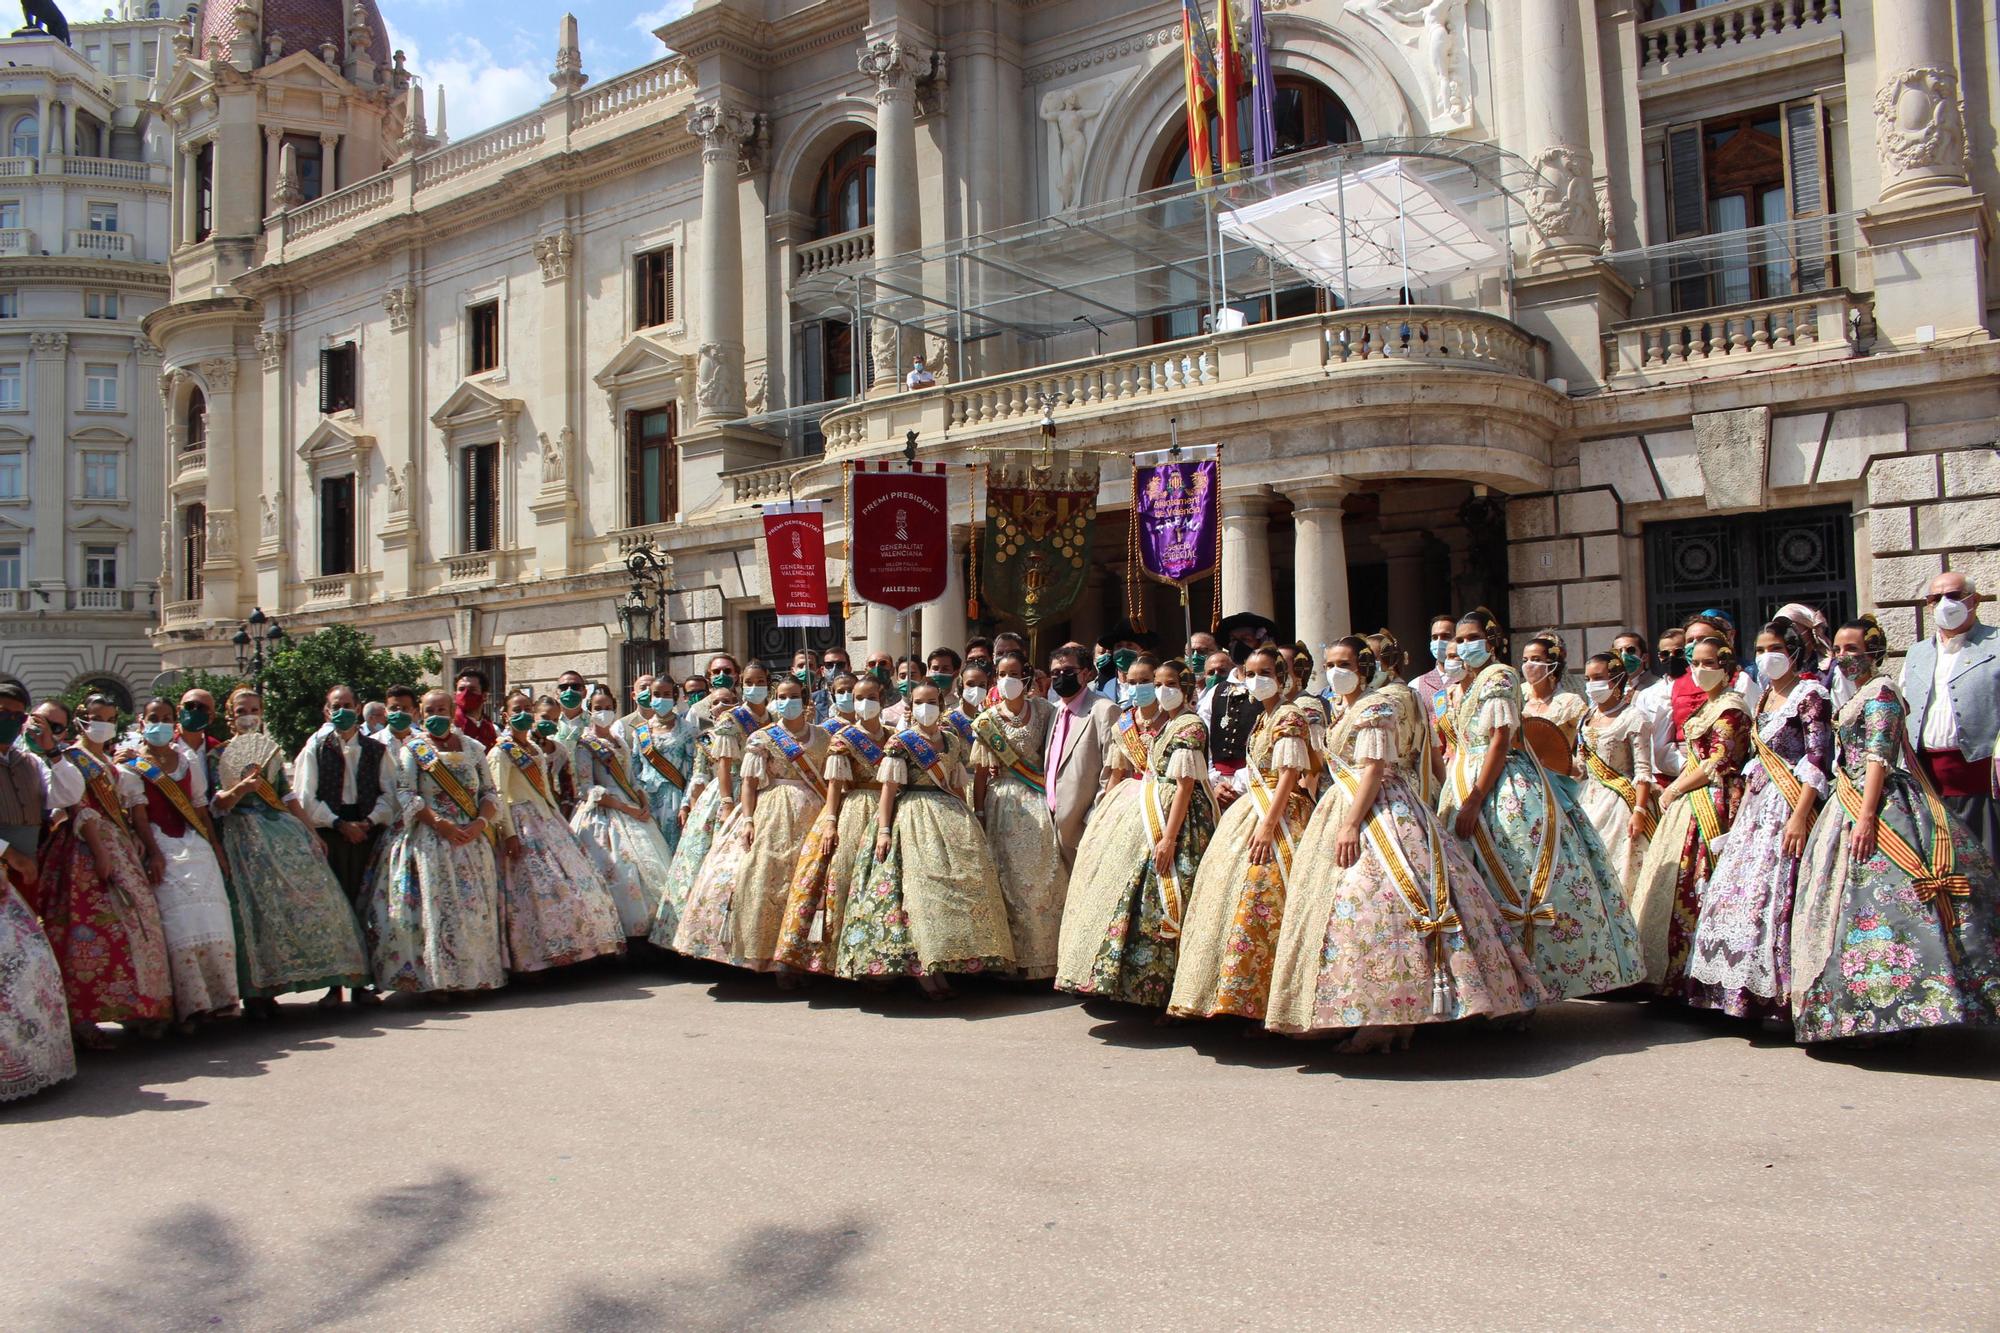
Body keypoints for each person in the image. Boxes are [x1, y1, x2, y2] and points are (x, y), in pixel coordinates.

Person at [1270, 638, 1546, 1048]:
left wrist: (1351, 824)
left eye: (1344, 664)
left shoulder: (1376, 707)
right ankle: (1355, 1008)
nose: (1335, 671)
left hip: (1380, 810)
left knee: (1378, 902)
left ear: (1364, 669)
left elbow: (1373, 769)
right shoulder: (1339, 710)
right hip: (1340, 804)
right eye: (1330, 664)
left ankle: (1392, 1016)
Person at [1792, 616, 2000, 1043]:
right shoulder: (1855, 693)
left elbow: (1878, 758)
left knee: (1885, 902)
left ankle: (1902, 1010)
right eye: (1838, 650)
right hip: (1846, 799)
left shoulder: (1882, 692)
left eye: (1853, 649)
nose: (1843, 657)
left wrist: (1868, 816)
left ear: (1875, 652)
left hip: (1880, 803)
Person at [1434, 610, 1643, 1001]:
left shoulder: (1499, 676)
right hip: (1462, 779)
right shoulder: (1467, 683)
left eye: (1472, 638)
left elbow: (1500, 740)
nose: (1463, 646)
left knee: (1515, 880)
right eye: (1458, 640)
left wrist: (1475, 798)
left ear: (1491, 640)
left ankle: (1527, 987)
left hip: (1499, 788)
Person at [1685, 620, 1833, 1020]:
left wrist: (1799, 816)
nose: (1768, 656)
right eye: (1761, 649)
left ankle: (1779, 1000)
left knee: (1778, 896)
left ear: (1795, 651)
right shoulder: (1765, 696)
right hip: (1757, 804)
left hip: (1790, 803)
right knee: (1739, 896)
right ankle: (1735, 994)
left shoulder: (1811, 695)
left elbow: (1817, 759)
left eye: (1776, 648)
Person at [1167, 646, 1320, 1022]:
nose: (1256, 680)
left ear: (1281, 677)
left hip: (1280, 814)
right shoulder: (1263, 717)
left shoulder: (1288, 715)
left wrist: (1268, 825)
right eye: (1250, 674)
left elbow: (1290, 775)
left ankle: (1266, 1001)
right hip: (1251, 807)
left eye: (1265, 673)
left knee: (1262, 895)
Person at [1056, 658, 1214, 1007]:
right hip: (1135, 808)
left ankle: (1168, 989)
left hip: (1174, 817)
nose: (1154, 690)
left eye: (1164, 683)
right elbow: (1117, 774)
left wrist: (1169, 837)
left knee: (1165, 895)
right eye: (1151, 683)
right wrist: (1104, 818)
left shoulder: (1186, 725)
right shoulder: (1130, 722)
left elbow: (1185, 785)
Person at [840, 682, 1015, 995]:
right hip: (912, 817)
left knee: (953, 891)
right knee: (919, 893)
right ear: (911, 705)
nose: (926, 708)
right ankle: (922, 969)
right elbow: (888, 790)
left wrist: (968, 817)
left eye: (932, 701)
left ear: (942, 704)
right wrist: (883, 831)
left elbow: (956, 784)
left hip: (949, 814)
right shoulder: (900, 742)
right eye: (919, 702)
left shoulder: (952, 740)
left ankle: (949, 960)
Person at [211, 687, 370, 1013]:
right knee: (255, 913)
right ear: (230, 716)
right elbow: (217, 804)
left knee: (315, 899)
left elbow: (287, 796)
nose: (249, 716)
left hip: (280, 830)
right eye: (242, 711)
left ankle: (329, 978)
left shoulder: (270, 752)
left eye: (254, 710)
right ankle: (259, 992)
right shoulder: (217, 755)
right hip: (241, 835)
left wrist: (310, 831)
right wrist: (242, 788)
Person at [35, 695, 173, 1046]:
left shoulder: (108, 760)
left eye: (110, 719)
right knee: (90, 930)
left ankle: (136, 1009)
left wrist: (131, 837)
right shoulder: (72, 757)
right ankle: (83, 1019)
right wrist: (100, 852)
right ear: (81, 719)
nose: (104, 724)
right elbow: (78, 808)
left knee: (138, 923)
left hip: (117, 842)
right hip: (83, 847)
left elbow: (122, 807)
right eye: (97, 717)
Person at [677, 674, 830, 974]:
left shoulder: (823, 737)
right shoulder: (762, 737)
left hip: (815, 812)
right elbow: (748, 783)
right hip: (772, 811)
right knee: (763, 877)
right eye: (782, 697)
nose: (788, 702)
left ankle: (804, 956)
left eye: (794, 697)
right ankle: (767, 957)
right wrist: (747, 820)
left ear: (805, 701)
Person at [1630, 634, 1752, 992]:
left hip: (1717, 801)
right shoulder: (1706, 707)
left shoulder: (1731, 707)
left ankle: (1704, 981)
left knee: (1699, 881)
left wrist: (1676, 788)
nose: (1699, 669)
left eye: (1708, 663)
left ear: (1726, 666)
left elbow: (1719, 761)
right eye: (1695, 663)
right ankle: (1675, 976)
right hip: (1691, 799)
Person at [370, 687, 507, 997]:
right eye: (429, 711)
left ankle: (472, 977)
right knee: (435, 910)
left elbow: (488, 792)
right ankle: (437, 980)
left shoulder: (473, 748)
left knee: (471, 909)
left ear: (452, 712)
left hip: (470, 839)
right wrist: (439, 823)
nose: (436, 716)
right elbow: (406, 793)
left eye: (442, 710)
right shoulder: (413, 749)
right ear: (420, 715)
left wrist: (480, 823)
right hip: (430, 838)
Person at [121, 697, 239, 1027]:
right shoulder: (131, 766)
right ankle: (191, 1004)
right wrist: (154, 853)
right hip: (161, 844)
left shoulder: (186, 760)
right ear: (142, 723)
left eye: (165, 717)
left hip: (195, 844)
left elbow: (199, 806)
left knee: (212, 916)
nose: (159, 723)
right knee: (180, 923)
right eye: (153, 717)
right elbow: (139, 815)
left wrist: (215, 847)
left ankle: (221, 999)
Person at [487, 700, 625, 974]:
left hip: (546, 819)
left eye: (527, 709)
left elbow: (547, 789)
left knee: (575, 884)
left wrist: (557, 818)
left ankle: (575, 949)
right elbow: (498, 795)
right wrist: (509, 833)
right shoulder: (500, 752)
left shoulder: (534, 748)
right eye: (516, 711)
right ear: (505, 715)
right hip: (519, 822)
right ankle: (535, 958)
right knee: (535, 890)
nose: (523, 715)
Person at [777, 673, 892, 976]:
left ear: (882, 701)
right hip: (854, 809)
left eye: (871, 698)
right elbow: (834, 785)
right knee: (841, 878)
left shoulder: (895, 737)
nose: (864, 703)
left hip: (891, 809)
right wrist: (830, 822)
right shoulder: (843, 739)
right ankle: (837, 957)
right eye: (858, 698)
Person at [970, 649, 1069, 980]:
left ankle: (1045, 959)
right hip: (1003, 802)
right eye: (1002, 674)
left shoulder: (1044, 710)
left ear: (1026, 677)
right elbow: (980, 773)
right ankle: (1011, 962)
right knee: (1008, 881)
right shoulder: (987, 721)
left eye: (1014, 674)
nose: (1007, 680)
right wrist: (979, 811)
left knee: (1045, 879)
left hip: (1038, 800)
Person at [294, 684, 395, 1005]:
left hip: (367, 833)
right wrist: (339, 824)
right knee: (335, 908)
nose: (342, 711)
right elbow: (305, 797)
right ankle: (335, 985)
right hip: (331, 834)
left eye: (348, 705)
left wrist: (369, 822)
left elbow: (390, 794)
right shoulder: (315, 747)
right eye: (336, 706)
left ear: (358, 707)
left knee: (365, 905)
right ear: (326, 711)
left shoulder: (377, 750)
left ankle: (362, 984)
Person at [0, 695, 73, 1096]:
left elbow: (65, 797)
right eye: (2, 713)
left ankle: (30, 1061)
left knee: (31, 966)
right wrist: (7, 854)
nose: (10, 720)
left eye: (17, 714)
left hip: (26, 871)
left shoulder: (28, 761)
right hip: (7, 867)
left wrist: (52, 750)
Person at [1900, 571, 2000, 860]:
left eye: (1954, 595)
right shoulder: (1917, 653)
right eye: (1935, 598)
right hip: (1926, 783)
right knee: (1941, 867)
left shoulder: (1996, 644)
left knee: (1989, 866)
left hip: (1982, 782)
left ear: (1975, 600)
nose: (1944, 603)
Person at [568, 685, 674, 943]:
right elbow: (586, 788)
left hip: (631, 805)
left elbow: (631, 779)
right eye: (598, 708)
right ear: (589, 710)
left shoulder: (620, 741)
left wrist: (642, 801)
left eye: (608, 708)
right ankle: (621, 933)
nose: (603, 712)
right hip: (604, 813)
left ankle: (653, 932)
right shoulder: (584, 745)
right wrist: (626, 808)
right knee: (621, 871)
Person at [655, 687, 742, 949]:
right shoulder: (705, 739)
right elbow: (699, 777)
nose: (723, 706)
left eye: (729, 701)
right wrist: (693, 811)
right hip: (715, 799)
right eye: (717, 702)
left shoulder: (751, 733)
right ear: (710, 709)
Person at [1575, 652, 1657, 893]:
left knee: (1618, 871)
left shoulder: (1633, 717)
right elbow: (1581, 767)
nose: (1591, 685)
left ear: (1617, 679)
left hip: (1621, 803)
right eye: (1588, 679)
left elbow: (1643, 769)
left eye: (1598, 678)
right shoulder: (1586, 717)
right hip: (1588, 799)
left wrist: (1639, 811)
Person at [1044, 645, 1120, 869]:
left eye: (1068, 671)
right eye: (1055, 673)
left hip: (1085, 828)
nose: (1061, 677)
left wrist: (1095, 818)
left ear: (1086, 673)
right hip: (1053, 823)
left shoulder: (1105, 710)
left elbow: (1113, 771)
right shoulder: (1054, 712)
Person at [1364, 630, 1441, 807]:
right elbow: (1433, 751)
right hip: (1417, 781)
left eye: (1370, 659)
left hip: (1386, 785)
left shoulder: (1381, 700)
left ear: (1389, 662)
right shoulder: (1413, 694)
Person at [632, 683, 697, 853]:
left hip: (674, 799)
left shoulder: (688, 730)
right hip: (645, 800)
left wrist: (685, 805)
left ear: (675, 697)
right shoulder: (640, 731)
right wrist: (637, 799)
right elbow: (634, 769)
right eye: (657, 694)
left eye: (666, 694)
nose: (661, 698)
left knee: (672, 850)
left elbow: (693, 771)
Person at [1637, 626, 1687, 783]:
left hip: (1696, 769)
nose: (1671, 658)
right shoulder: (1647, 695)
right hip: (1660, 776)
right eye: (1665, 654)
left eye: (1678, 652)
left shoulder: (1703, 688)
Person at [1411, 614, 1459, 719]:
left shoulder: (1469, 679)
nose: (1439, 642)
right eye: (1435, 637)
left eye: (1445, 636)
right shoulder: (1416, 685)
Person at [946, 659, 989, 747]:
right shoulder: (949, 720)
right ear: (961, 686)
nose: (976, 689)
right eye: (970, 684)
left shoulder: (989, 718)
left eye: (982, 685)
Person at [452, 669, 498, 748]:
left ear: (484, 696)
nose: (465, 694)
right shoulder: (450, 728)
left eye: (472, 689)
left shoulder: (493, 729)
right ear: (455, 695)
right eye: (461, 689)